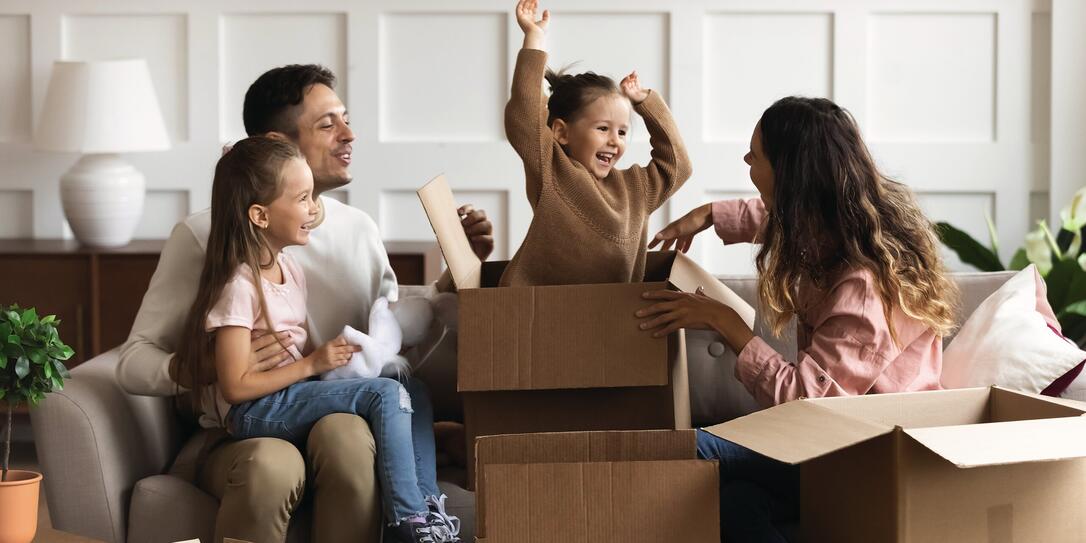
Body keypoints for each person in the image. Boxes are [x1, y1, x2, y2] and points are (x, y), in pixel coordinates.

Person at [118, 65, 492, 543]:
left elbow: (390, 351)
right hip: (249, 424)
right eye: (327, 124)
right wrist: (209, 367)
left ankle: (418, 522)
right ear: (280, 143)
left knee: (350, 437)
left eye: (346, 118)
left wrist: (455, 278)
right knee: (274, 465)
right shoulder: (207, 236)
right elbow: (133, 362)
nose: (350, 134)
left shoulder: (358, 230)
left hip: (342, 417)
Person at [638, 96, 960, 542]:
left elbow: (810, 402)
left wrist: (725, 322)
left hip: (869, 454)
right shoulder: (839, 227)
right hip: (836, 442)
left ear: (792, 175)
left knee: (685, 447)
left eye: (757, 155)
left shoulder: (863, 287)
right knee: (737, 502)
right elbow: (783, 218)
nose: (746, 159)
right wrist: (711, 216)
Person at [499, 0, 692, 287]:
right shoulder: (552, 168)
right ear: (562, 132)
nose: (614, 141)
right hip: (534, 312)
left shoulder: (636, 190)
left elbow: (677, 167)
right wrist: (534, 39)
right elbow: (525, 116)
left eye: (623, 132)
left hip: (605, 317)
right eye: (603, 129)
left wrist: (645, 102)